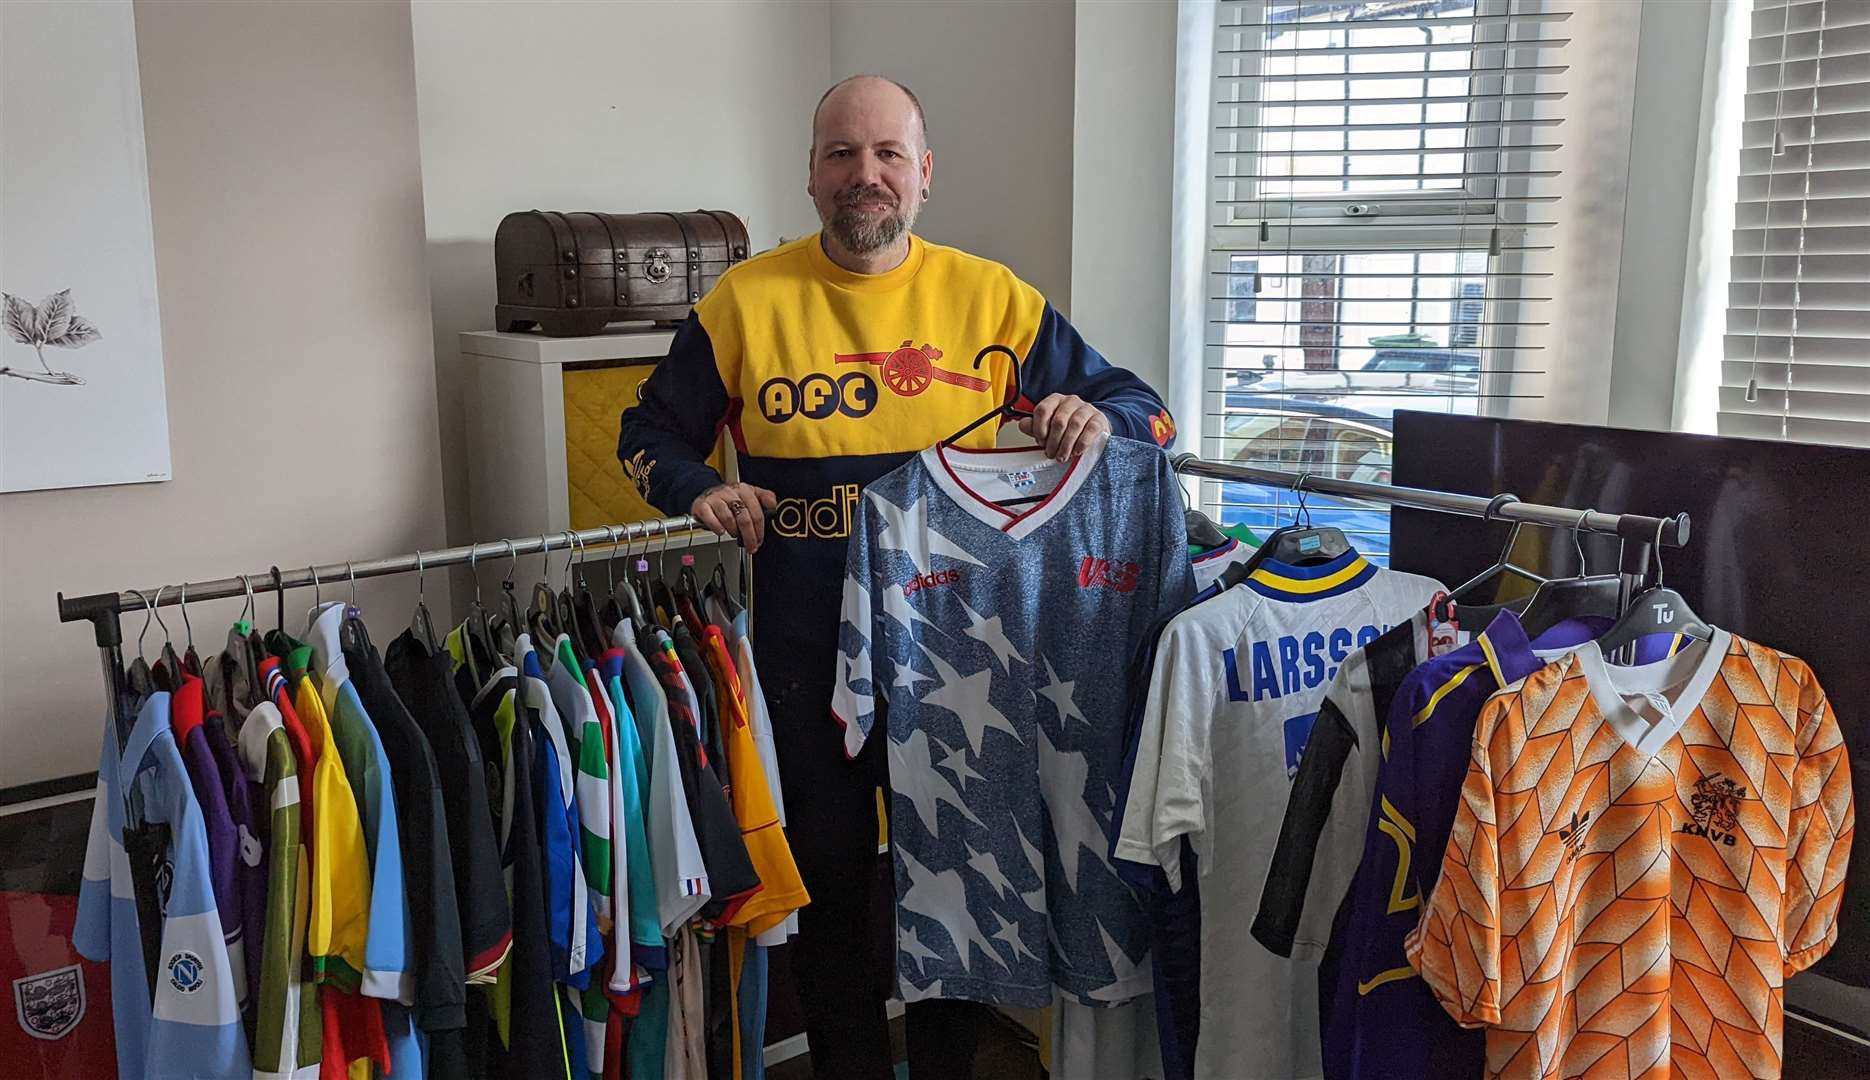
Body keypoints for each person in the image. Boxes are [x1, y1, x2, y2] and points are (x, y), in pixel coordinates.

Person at [617, 74, 1175, 1079]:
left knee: (950, 891)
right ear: (809, 174)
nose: (861, 175)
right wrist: (699, 488)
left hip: (956, 661)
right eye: (840, 154)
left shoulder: (991, 298)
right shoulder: (743, 301)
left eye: (885, 155)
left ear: (923, 173)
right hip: (800, 655)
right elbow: (645, 435)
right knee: (832, 892)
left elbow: (1145, 409)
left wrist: (1101, 419)